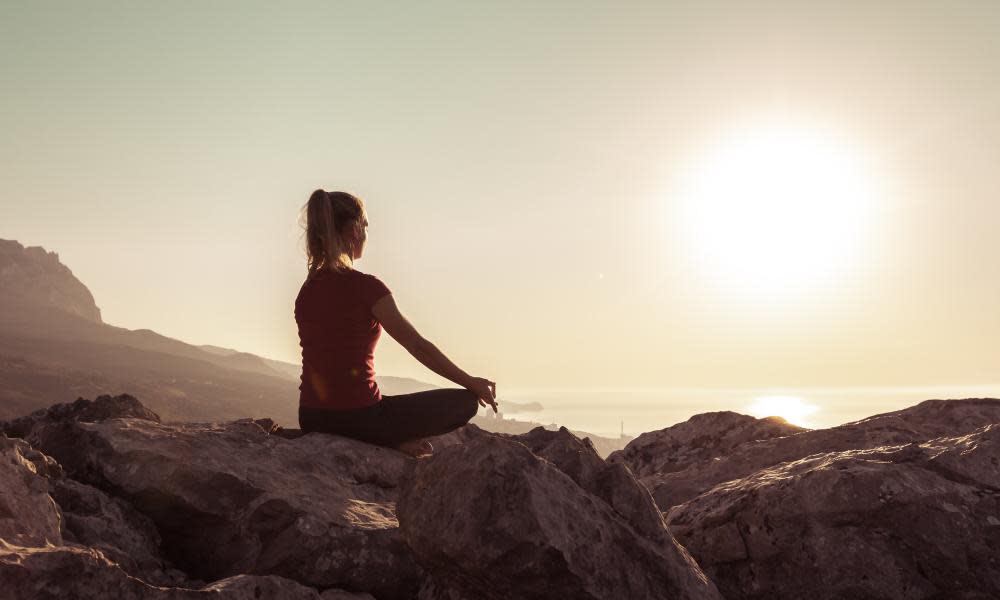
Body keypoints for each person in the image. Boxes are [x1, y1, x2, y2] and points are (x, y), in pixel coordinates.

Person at [294, 189, 498, 457]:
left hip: (311, 417)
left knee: (380, 407)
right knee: (465, 403)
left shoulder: (306, 291)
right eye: (365, 226)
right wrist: (471, 382)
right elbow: (417, 345)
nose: (367, 234)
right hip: (361, 418)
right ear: (354, 230)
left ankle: (387, 439)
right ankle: (387, 440)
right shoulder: (367, 288)